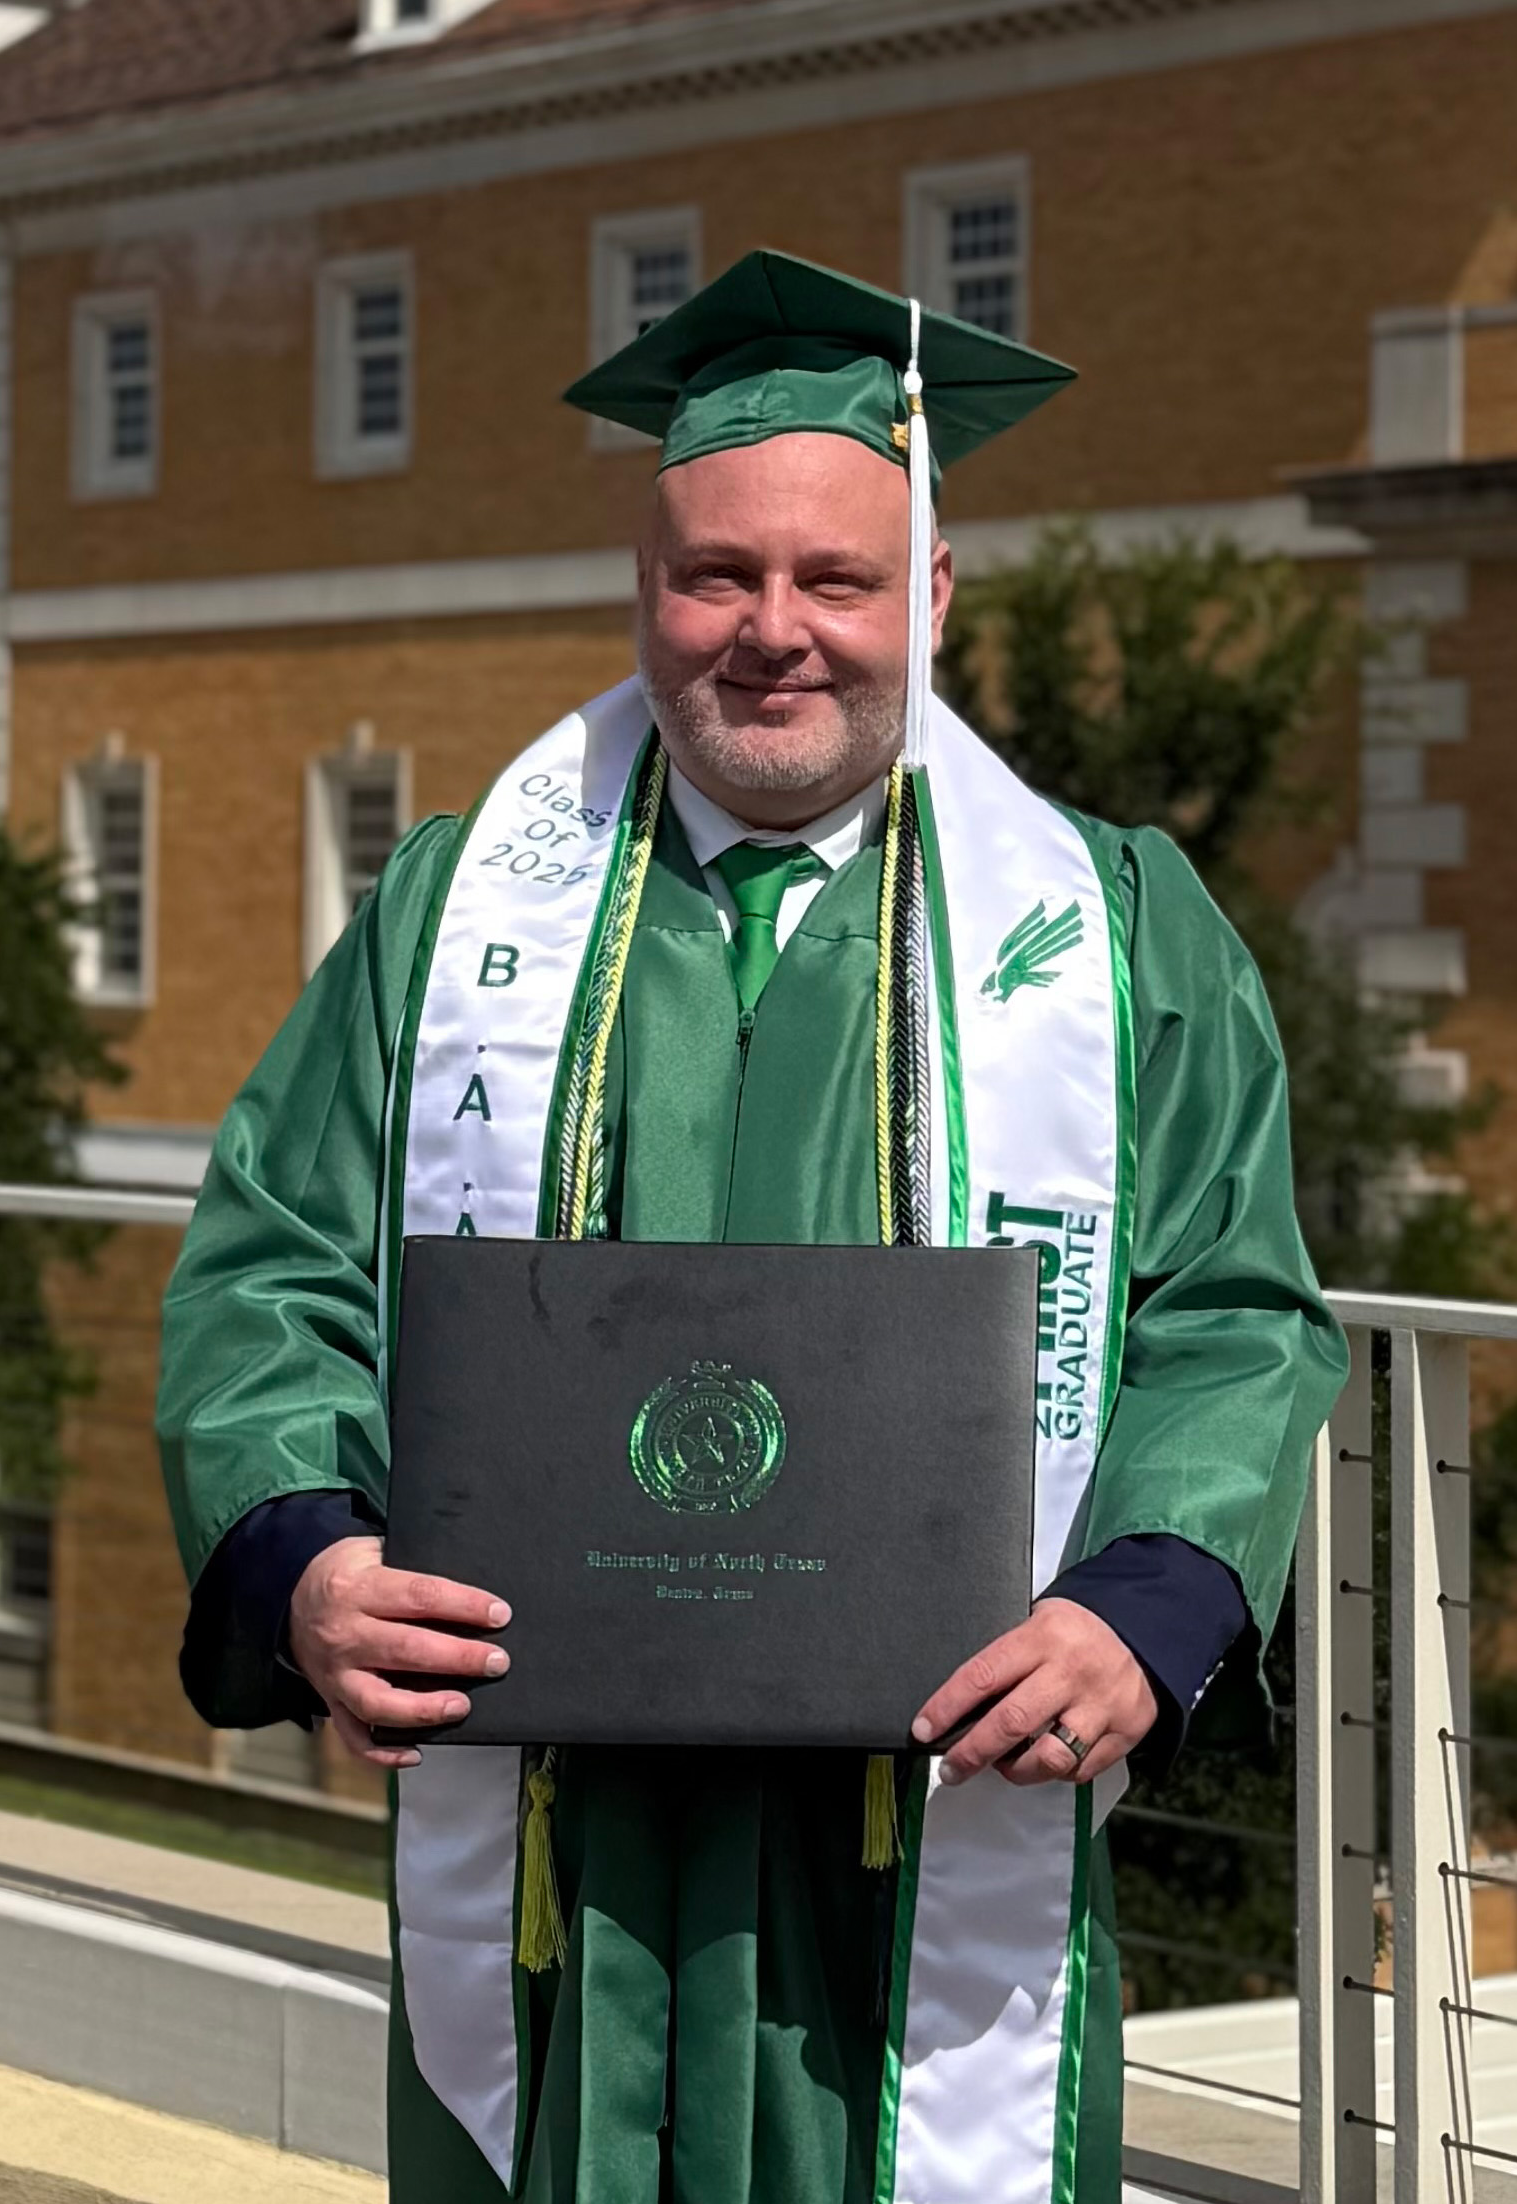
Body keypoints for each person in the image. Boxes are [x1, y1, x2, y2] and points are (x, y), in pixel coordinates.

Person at [156, 249, 1344, 2204]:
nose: (772, 630)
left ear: (932, 597)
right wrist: (301, 1561)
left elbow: (1235, 1310)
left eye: (837, 580)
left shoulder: (1118, 933)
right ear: (647, 590)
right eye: (717, 573)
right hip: (562, 1854)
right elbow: (271, 1263)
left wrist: (1152, 1609)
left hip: (922, 1841)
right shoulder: (458, 919)